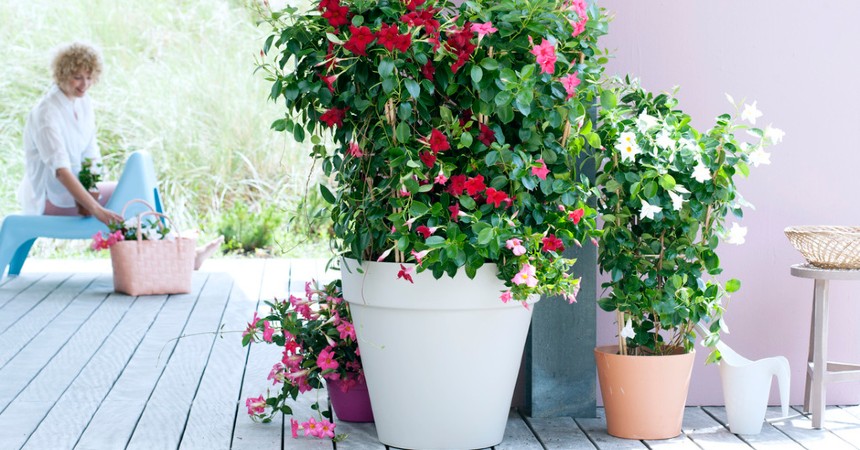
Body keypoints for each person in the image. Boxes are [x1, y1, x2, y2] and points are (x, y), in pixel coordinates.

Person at [17, 42, 222, 269]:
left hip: (77, 193)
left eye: (89, 76)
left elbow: (90, 154)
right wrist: (96, 209)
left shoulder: (82, 102)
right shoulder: (46, 113)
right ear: (61, 74)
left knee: (137, 194)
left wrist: (92, 188)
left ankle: (177, 253)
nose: (84, 84)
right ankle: (179, 255)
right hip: (51, 198)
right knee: (132, 197)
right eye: (77, 77)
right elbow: (61, 171)